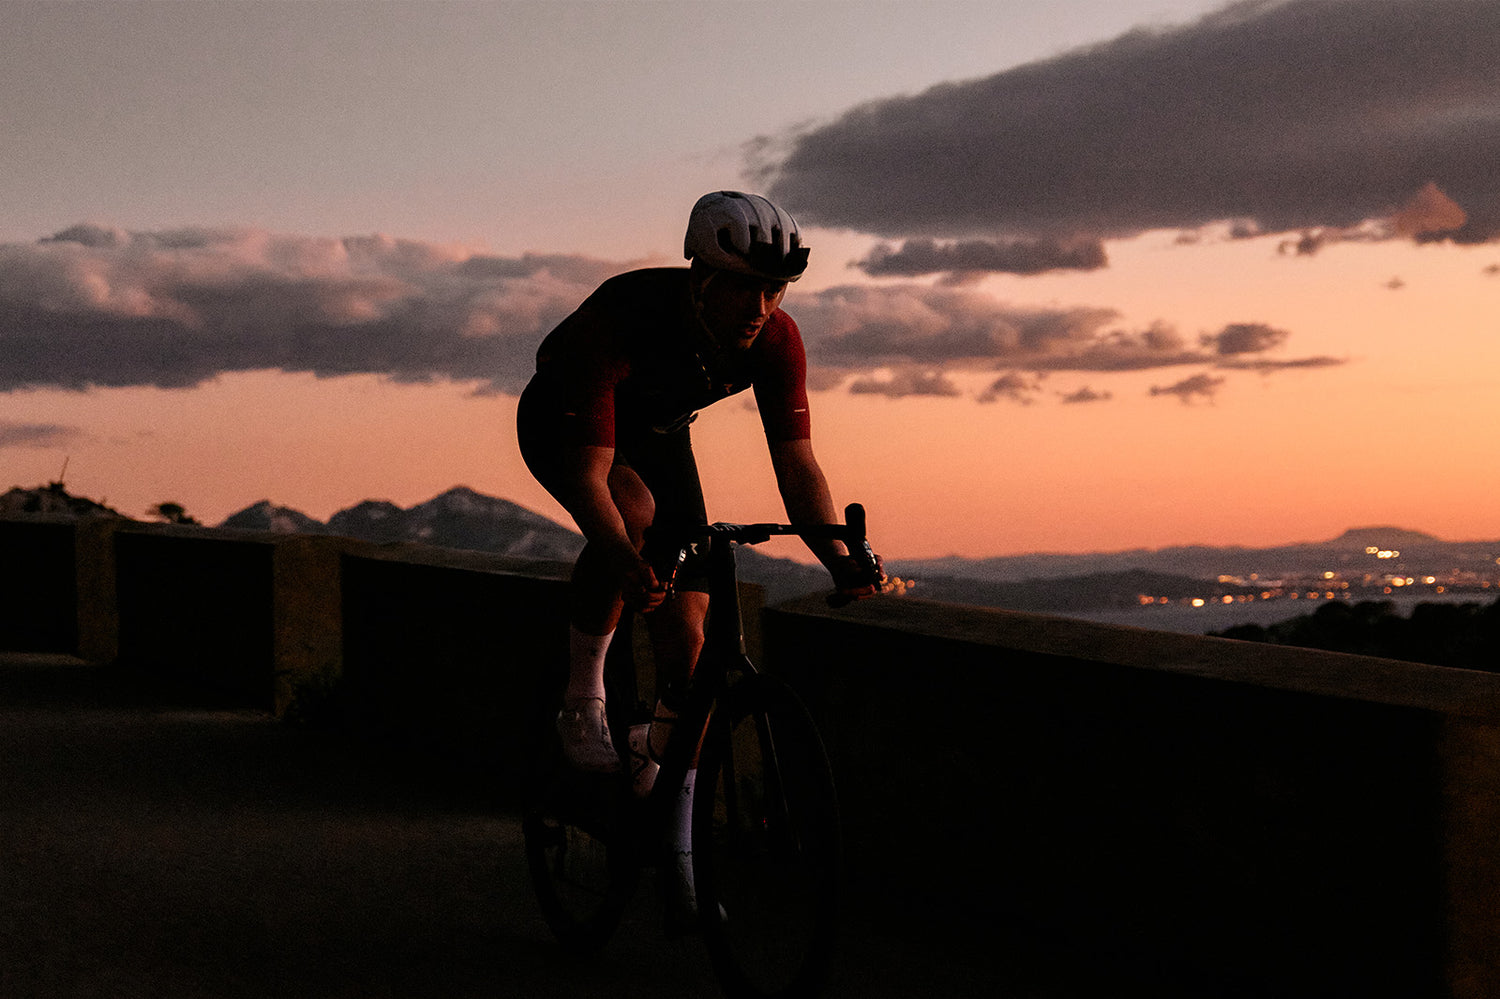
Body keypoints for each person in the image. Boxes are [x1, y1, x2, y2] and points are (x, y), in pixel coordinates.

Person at [516, 190, 881, 919]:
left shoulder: (776, 339)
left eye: (775, 288)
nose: (762, 305)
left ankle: (676, 842)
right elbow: (592, 478)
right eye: (746, 286)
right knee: (635, 516)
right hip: (566, 419)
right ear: (703, 279)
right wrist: (623, 554)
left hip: (658, 433)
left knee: (687, 642)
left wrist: (839, 553)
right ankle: (583, 700)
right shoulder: (623, 319)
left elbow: (798, 465)